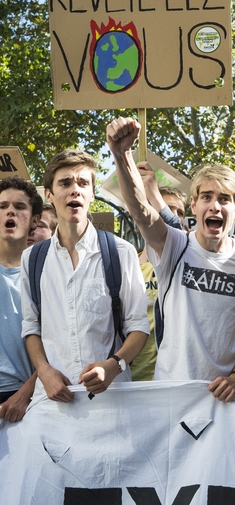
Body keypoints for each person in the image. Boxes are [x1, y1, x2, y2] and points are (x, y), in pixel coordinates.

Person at [106, 117, 235, 402]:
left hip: (224, 404)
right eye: (206, 197)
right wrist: (122, 156)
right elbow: (141, 211)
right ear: (194, 205)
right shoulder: (175, 245)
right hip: (171, 399)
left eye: (225, 199)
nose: (215, 205)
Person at [21, 149, 149, 404]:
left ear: (92, 193)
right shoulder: (32, 258)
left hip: (112, 401)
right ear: (49, 194)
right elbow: (31, 326)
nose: (75, 190)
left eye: (83, 183)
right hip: (52, 401)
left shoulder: (121, 252)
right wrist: (44, 372)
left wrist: (114, 366)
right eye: (65, 183)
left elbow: (138, 327)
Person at [131, 184, 188, 381]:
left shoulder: (186, 263)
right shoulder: (124, 265)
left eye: (179, 212)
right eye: (164, 207)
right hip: (129, 380)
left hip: (170, 380)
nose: (173, 214)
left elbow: (175, 233)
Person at [0, 176, 42, 421]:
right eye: (3, 206)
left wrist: (25, 394)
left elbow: (60, 345)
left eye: (20, 207)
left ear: (35, 219)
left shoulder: (47, 274)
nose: (10, 212)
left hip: (29, 402)